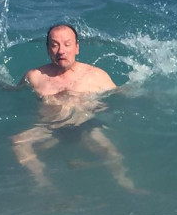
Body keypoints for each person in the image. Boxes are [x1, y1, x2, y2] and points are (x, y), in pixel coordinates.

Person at [10, 23, 137, 191]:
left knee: (111, 153)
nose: (61, 51)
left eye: (67, 44)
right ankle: (44, 184)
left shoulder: (95, 76)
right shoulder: (35, 77)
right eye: (55, 45)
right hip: (49, 128)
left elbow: (120, 96)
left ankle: (127, 185)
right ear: (48, 49)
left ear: (77, 48)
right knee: (18, 142)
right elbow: (15, 93)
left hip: (85, 126)